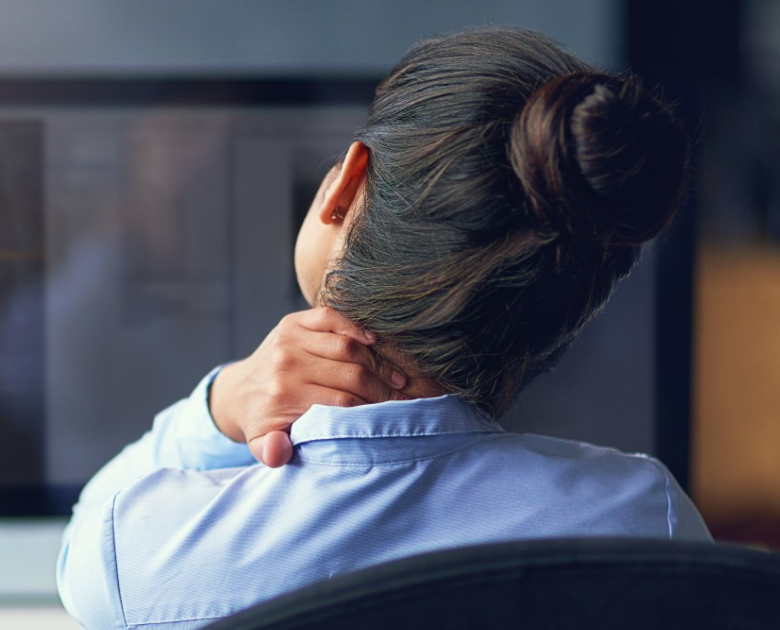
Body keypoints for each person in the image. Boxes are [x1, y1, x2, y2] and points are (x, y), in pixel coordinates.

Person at [56, 27, 711, 629]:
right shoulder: (649, 522)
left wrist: (221, 404)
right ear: (572, 306)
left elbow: (89, 529)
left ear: (347, 184)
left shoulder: (142, 555)